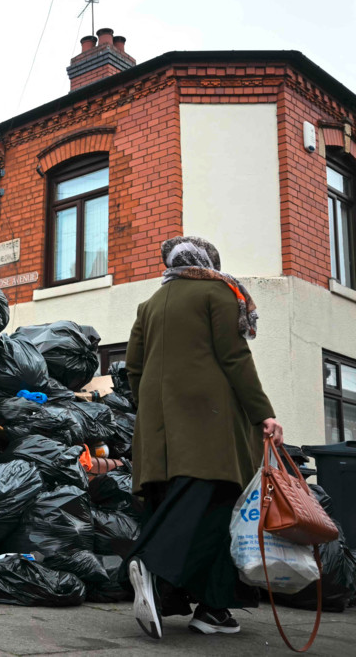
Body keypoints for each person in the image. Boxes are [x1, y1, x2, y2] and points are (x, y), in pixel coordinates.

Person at [124, 236, 284, 639]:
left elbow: (133, 369)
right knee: (214, 502)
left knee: (182, 499)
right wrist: (263, 412)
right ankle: (151, 563)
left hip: (160, 427)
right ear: (210, 262)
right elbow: (234, 357)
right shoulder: (218, 292)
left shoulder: (151, 304)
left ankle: (210, 610)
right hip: (209, 422)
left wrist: (152, 410)